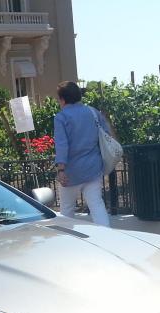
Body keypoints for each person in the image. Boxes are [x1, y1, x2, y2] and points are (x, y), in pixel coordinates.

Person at [53, 81, 112, 227]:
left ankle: (69, 242)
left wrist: (61, 169)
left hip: (71, 171)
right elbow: (107, 134)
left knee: (67, 210)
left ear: (63, 99)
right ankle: (108, 237)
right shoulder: (93, 112)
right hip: (93, 167)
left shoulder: (61, 117)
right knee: (97, 205)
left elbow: (62, 145)